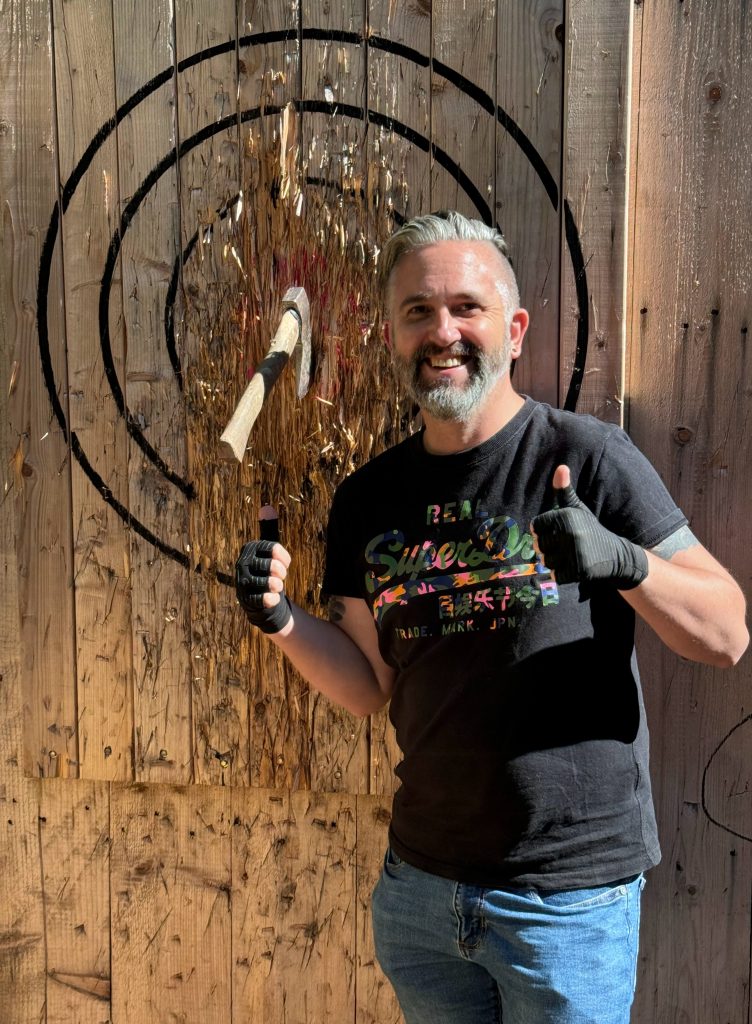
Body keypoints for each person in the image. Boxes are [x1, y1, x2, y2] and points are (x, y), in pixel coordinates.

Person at [235, 212, 748, 1024]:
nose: (444, 332)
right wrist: (282, 619)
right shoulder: (367, 498)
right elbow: (370, 686)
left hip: (566, 903)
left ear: (512, 329)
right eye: (418, 312)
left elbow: (727, 634)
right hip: (422, 895)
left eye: (466, 308)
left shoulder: (588, 456)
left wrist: (626, 561)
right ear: (393, 337)